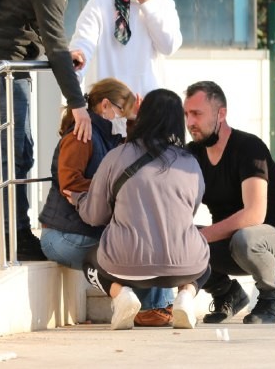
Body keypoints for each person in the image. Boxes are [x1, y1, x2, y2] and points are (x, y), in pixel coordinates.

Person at [0, 0, 115, 261]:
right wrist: (78, 105)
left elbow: (41, 34)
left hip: (7, 67)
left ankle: (18, 233)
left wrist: (61, 55)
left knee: (21, 151)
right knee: (9, 154)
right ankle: (13, 238)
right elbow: (55, 43)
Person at [69, 0, 181, 324]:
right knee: (125, 198)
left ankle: (161, 300)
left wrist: (147, 4)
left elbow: (170, 43)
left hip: (151, 113)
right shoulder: (103, 0)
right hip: (115, 107)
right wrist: (76, 99)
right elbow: (82, 42)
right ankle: (142, 293)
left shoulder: (159, 0)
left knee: (156, 198)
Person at [77, 89, 210, 330]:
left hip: (124, 266)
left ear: (143, 116)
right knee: (205, 261)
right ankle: (185, 297)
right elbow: (189, 211)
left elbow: (94, 216)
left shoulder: (116, 156)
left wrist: (78, 199)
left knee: (89, 261)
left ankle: (121, 295)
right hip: (184, 266)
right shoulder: (190, 162)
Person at [184, 81, 275, 325]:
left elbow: (254, 215)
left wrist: (202, 236)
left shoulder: (248, 147)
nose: (190, 122)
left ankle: (274, 296)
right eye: (186, 114)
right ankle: (226, 292)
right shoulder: (193, 153)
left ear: (221, 113)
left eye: (197, 114)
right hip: (232, 245)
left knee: (246, 237)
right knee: (177, 239)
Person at [69, 0, 182, 96]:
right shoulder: (102, 0)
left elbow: (168, 46)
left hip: (148, 102)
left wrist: (149, 6)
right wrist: (73, 81)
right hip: (109, 102)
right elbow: (83, 43)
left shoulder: (162, 1)